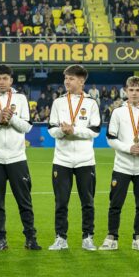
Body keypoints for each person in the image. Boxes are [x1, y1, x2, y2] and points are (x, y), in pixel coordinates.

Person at [0, 65, 41, 251]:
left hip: (17, 158)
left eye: (5, 78)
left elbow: (27, 127)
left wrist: (11, 119)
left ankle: (30, 238)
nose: (2, 82)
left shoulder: (20, 99)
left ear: (11, 80)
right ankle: (0, 239)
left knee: (24, 201)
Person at [99, 76, 139, 251]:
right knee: (115, 203)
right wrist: (128, 148)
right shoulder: (117, 112)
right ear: (125, 91)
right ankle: (112, 237)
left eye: (138, 90)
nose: (134, 93)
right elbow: (110, 138)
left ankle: (138, 237)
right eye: (131, 90)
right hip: (122, 166)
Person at [47, 64, 101, 251]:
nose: (66, 82)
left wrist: (74, 130)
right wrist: (63, 131)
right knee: (61, 202)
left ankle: (88, 238)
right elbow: (51, 128)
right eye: (66, 78)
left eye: (71, 78)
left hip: (85, 161)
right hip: (62, 160)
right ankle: (60, 238)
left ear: (81, 81)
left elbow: (95, 130)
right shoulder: (58, 102)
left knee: (88, 202)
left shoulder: (92, 103)